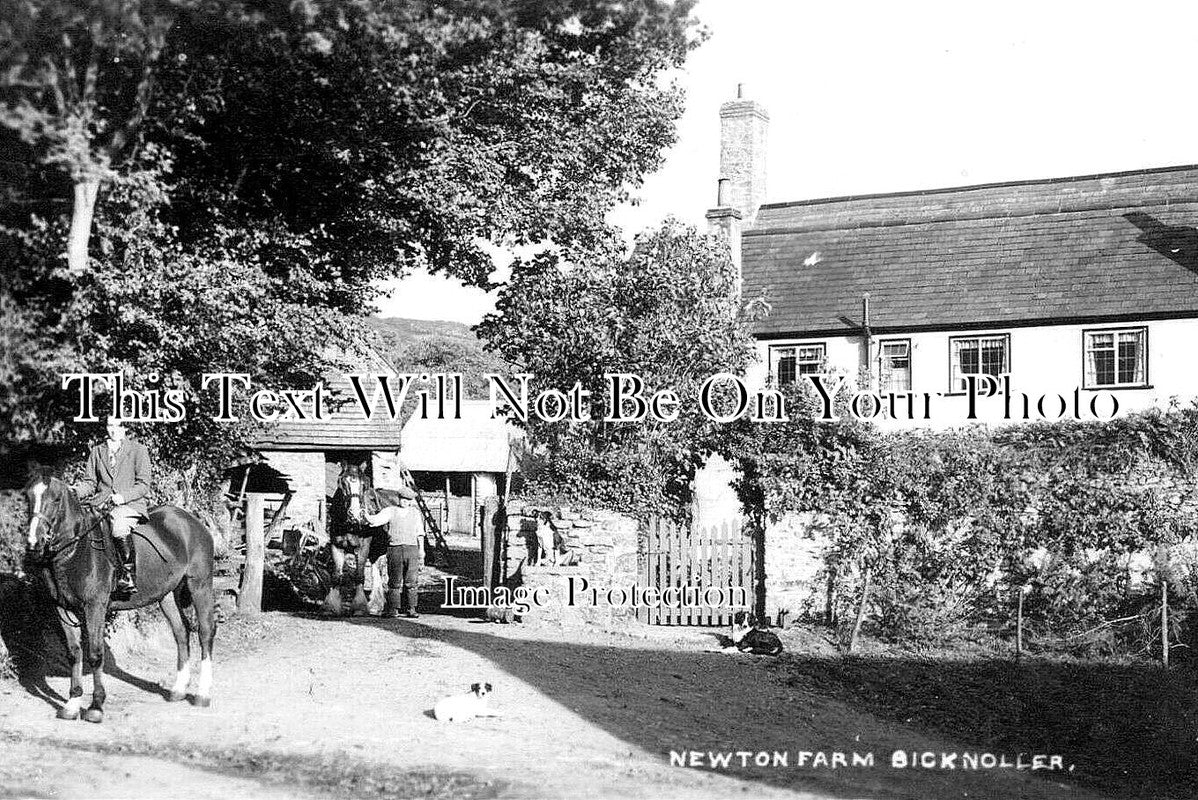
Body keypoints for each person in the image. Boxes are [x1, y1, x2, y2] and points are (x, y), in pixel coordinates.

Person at [76, 415, 151, 596]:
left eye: (118, 426)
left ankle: (128, 575)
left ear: (125, 428)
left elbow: (143, 484)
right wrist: (74, 491)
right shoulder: (97, 451)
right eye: (110, 425)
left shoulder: (138, 450)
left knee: (118, 527)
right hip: (101, 504)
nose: (113, 429)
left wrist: (123, 497)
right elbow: (90, 482)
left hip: (129, 504)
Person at [363, 485, 425, 618]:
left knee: (411, 581)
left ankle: (411, 608)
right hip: (395, 549)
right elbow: (375, 521)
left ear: (410, 501)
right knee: (394, 581)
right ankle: (393, 609)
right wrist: (365, 515)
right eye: (402, 499)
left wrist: (422, 551)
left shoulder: (415, 513)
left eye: (407, 500)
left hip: (412, 549)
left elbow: (420, 533)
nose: (405, 502)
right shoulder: (390, 511)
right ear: (399, 499)